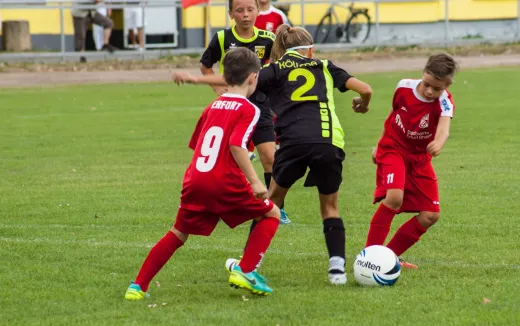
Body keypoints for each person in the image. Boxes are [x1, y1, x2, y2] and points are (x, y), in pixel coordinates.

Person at [173, 25, 373, 285]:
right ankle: (337, 271)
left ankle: (248, 263)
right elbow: (366, 89)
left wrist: (194, 79)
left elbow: (236, 80)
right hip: (328, 142)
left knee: (270, 205)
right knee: (330, 207)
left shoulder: (274, 69)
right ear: (310, 49)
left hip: (293, 144)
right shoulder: (324, 66)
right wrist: (363, 104)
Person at [125, 48, 281, 300]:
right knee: (271, 213)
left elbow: (199, 145)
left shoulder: (212, 106)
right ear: (254, 78)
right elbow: (235, 144)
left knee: (178, 233)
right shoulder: (249, 109)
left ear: (225, 77)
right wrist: (255, 181)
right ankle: (245, 270)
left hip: (196, 179)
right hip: (224, 181)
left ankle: (138, 286)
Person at [200, 0, 292, 225]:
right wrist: (217, 88)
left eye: (250, 9)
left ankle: (276, 208)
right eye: (239, 10)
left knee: (269, 157)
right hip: (232, 106)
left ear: (257, 11)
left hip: (260, 105)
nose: (245, 15)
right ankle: (218, 205)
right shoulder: (222, 38)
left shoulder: (268, 39)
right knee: (225, 160)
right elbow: (205, 65)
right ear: (231, 14)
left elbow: (279, 66)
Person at [365, 53, 458, 269]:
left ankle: (388, 257)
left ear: (447, 85)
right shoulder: (404, 87)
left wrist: (439, 142)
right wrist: (379, 146)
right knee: (394, 197)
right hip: (394, 149)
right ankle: (369, 257)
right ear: (422, 74)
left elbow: (444, 128)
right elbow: (392, 115)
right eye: (427, 84)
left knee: (430, 215)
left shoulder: (445, 102)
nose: (429, 91)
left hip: (419, 158)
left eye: (437, 88)